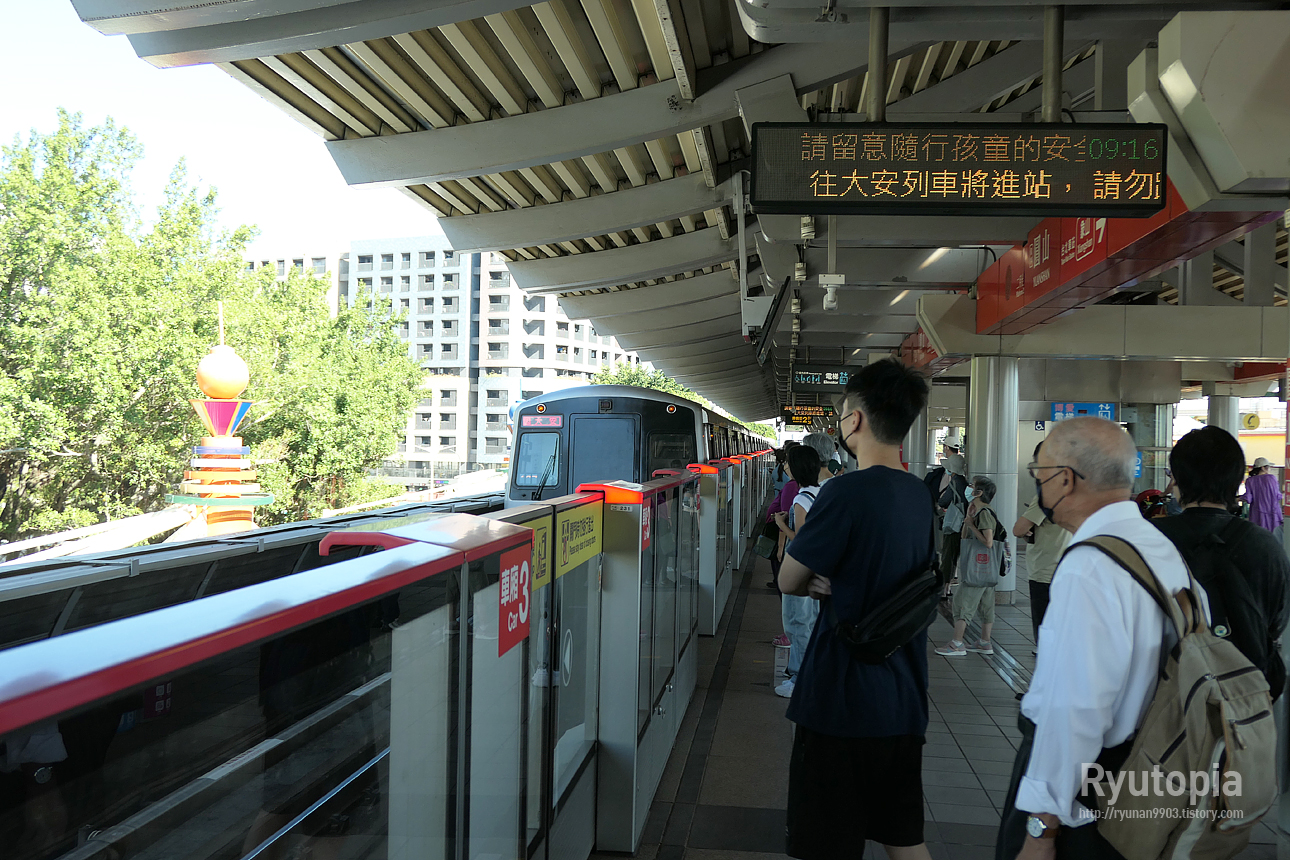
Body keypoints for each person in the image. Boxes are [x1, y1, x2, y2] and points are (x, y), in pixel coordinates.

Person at [999, 417, 1200, 860]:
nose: (1038, 485)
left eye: (1039, 473)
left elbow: (1075, 710)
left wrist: (1040, 829)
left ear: (1064, 479)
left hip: (1090, 794)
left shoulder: (1090, 566)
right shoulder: (1157, 546)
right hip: (1148, 769)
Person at [778, 358, 935, 860]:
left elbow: (788, 579)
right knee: (903, 838)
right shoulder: (918, 494)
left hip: (841, 700)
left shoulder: (845, 491)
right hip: (904, 697)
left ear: (856, 419)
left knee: (826, 843)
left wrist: (820, 580)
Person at [1153, 427, 1289, 700]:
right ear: (1237, 481)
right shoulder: (1265, 546)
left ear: (1177, 479)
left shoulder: (1148, 540)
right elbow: (1276, 622)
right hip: (1244, 701)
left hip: (1161, 700)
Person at [772, 444, 831, 697]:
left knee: (796, 622)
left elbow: (802, 539)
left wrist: (781, 524)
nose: (785, 466)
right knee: (811, 621)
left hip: (800, 566)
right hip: (818, 566)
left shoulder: (801, 498)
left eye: (788, 462)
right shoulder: (821, 492)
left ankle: (799, 679)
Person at [935, 476, 1003, 657]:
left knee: (962, 603)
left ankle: (957, 644)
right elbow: (964, 537)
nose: (968, 488)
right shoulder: (978, 511)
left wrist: (972, 525)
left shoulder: (984, 513)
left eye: (972, 486)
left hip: (977, 568)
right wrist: (968, 518)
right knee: (986, 605)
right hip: (986, 569)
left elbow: (988, 542)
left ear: (979, 492)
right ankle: (984, 642)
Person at [1012, 443, 1071, 645]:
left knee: (1045, 631)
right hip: (1069, 568)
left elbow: (1018, 529)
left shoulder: (1047, 494)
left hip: (1045, 570)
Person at [938, 453, 968, 598]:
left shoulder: (955, 482)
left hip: (954, 524)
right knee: (955, 556)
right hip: (964, 524)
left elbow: (944, 501)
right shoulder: (965, 482)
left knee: (947, 555)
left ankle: (944, 589)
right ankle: (948, 587)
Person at [1241, 456, 1284, 541]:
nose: (1269, 469)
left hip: (1257, 516)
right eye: (1268, 467)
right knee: (1274, 540)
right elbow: (1278, 496)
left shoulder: (1250, 481)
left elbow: (1248, 498)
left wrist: (1238, 499)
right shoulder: (1272, 478)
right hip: (1273, 514)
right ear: (1263, 468)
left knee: (1259, 539)